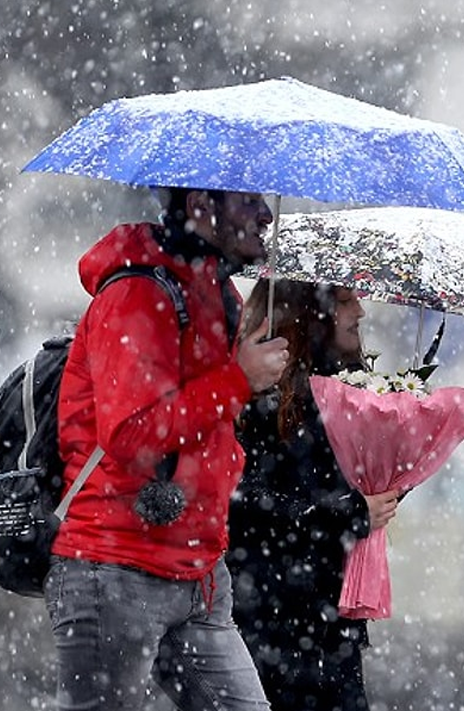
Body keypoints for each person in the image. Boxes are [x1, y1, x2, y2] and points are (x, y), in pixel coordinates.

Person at [49, 187, 291, 711]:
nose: (266, 214)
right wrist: (238, 380)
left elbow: (209, 423)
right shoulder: (137, 292)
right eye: (248, 201)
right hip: (113, 567)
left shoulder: (217, 291)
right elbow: (130, 434)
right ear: (202, 202)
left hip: (199, 572)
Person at [228, 279, 401, 711]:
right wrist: (350, 514)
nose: (359, 312)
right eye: (345, 302)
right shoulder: (257, 397)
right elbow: (245, 504)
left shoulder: (346, 393)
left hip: (328, 620)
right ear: (310, 313)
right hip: (268, 618)